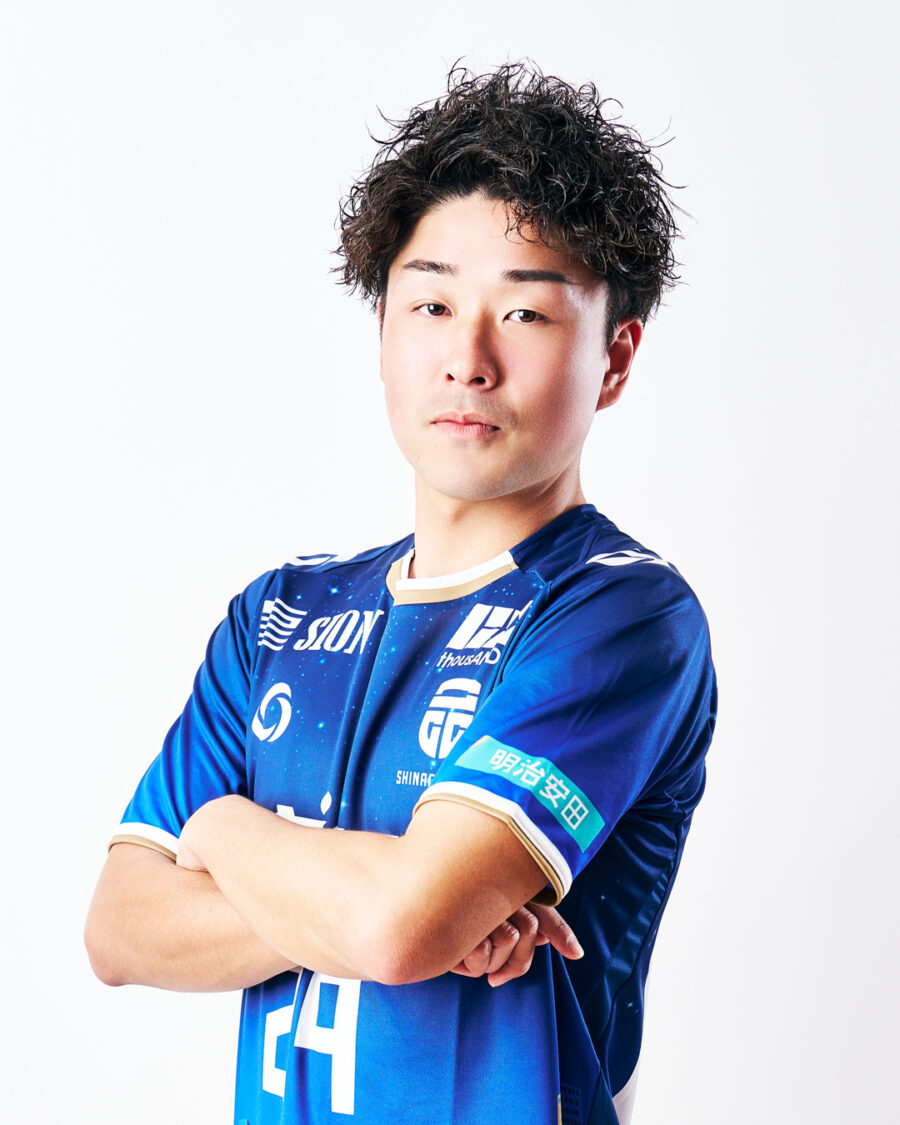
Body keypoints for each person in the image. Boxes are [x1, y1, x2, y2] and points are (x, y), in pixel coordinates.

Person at [85, 63, 717, 1125]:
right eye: (431, 303)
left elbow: (395, 928)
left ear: (615, 359)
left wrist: (221, 828)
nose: (468, 358)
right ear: (384, 327)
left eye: (526, 312)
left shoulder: (620, 614)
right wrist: (389, 902)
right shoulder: (280, 614)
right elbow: (119, 926)